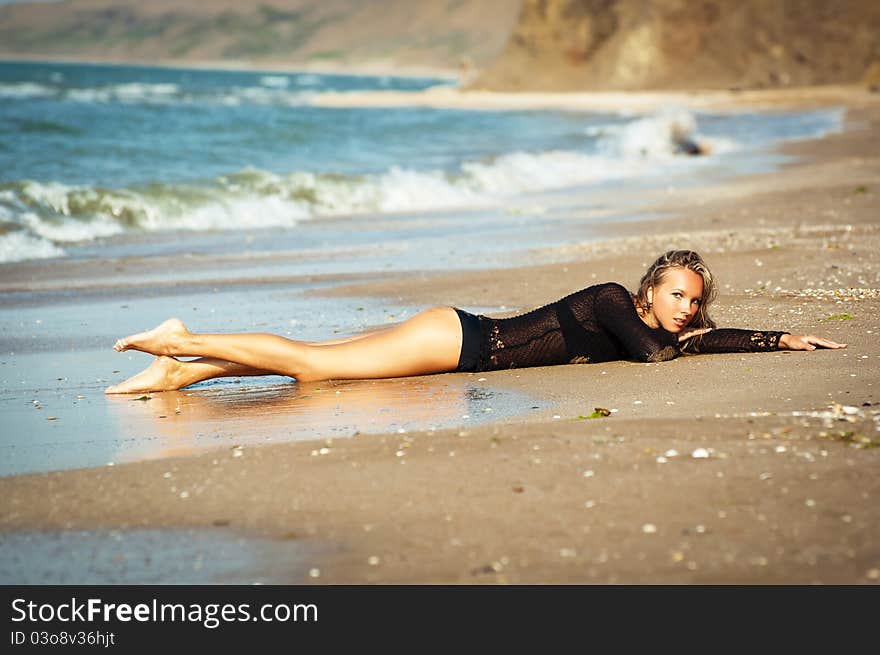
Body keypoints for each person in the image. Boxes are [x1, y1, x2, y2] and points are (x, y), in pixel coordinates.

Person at [104, 250, 846, 394]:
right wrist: (695, 338)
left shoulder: (648, 319)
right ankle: (184, 336)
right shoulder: (618, 299)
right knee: (317, 362)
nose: (685, 308)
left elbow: (680, 342)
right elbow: (656, 356)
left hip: (453, 344)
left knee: (326, 359)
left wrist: (776, 338)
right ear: (652, 286)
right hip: (458, 341)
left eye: (693, 300)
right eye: (676, 294)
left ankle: (185, 370)